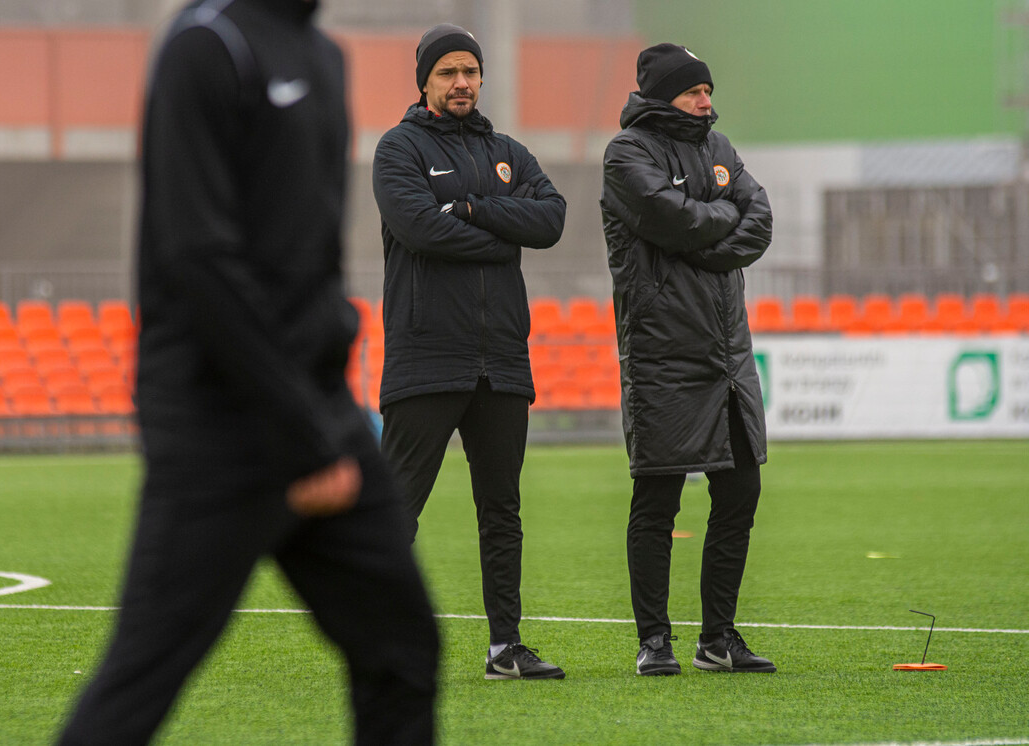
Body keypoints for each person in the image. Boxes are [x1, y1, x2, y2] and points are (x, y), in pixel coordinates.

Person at [57, 1, 439, 743]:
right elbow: (196, 255)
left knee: (402, 651)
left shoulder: (324, 56)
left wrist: (327, 379)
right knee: (145, 676)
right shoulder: (209, 46)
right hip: (219, 425)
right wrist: (305, 437)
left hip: (318, 411)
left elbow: (310, 247)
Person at [371, 23, 567, 680]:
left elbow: (552, 219)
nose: (462, 83)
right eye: (449, 72)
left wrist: (472, 209)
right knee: (395, 509)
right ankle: (378, 646)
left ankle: (505, 648)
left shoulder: (507, 150)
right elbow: (420, 229)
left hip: (503, 362)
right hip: (425, 360)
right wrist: (503, 230)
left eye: (471, 72)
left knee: (502, 512)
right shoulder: (398, 149)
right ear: (424, 80)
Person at [600, 43, 777, 676]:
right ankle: (654, 641)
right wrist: (717, 225)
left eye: (708, 90)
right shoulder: (626, 155)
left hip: (728, 355)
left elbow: (759, 218)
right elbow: (665, 218)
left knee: (741, 493)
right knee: (657, 499)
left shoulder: (719, 148)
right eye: (695, 91)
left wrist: (707, 233)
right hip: (663, 355)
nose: (707, 101)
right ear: (663, 95)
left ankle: (718, 638)